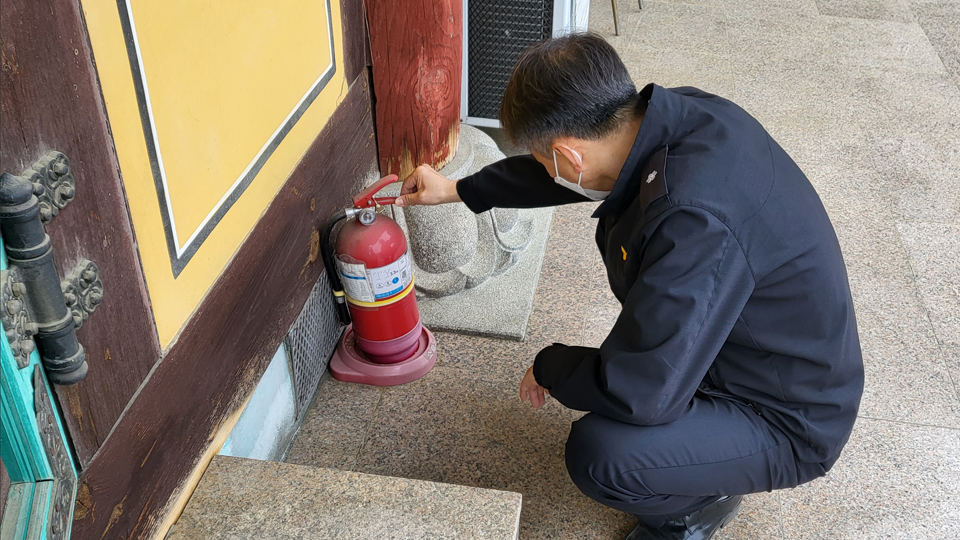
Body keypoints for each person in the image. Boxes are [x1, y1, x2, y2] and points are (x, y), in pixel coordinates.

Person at [395, 33, 864, 540]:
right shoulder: (671, 119)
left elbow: (641, 390)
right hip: (746, 352)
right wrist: (460, 190)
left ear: (570, 155)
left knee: (602, 455)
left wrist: (552, 365)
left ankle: (695, 509)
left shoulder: (694, 222)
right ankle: (708, 458)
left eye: (546, 159)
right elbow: (568, 171)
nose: (550, 171)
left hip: (786, 417)